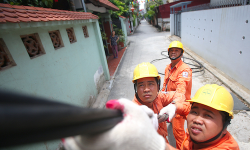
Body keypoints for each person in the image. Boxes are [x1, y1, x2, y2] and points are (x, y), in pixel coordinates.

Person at [63, 84, 239, 150]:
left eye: (208, 115)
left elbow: (180, 96)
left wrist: (152, 143)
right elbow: (186, 107)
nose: (197, 119)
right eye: (195, 112)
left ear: (225, 124)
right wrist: (174, 108)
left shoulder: (226, 148)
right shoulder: (134, 110)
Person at [131, 62, 191, 143]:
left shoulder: (158, 96)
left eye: (150, 84)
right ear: (136, 88)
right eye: (141, 85)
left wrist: (174, 105)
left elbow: (179, 95)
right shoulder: (133, 111)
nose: (146, 89)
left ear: (158, 86)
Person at [162, 41, 192, 149]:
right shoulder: (168, 68)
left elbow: (181, 90)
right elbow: (165, 86)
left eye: (176, 50)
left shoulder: (184, 70)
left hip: (179, 107)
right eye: (172, 50)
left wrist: (174, 105)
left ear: (181, 53)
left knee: (178, 134)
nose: (173, 52)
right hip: (170, 104)